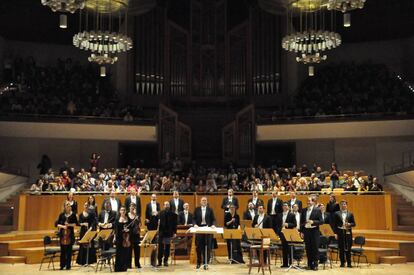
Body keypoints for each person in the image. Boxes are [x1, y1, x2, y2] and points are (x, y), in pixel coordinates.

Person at [300, 196, 323, 271]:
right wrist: (301, 231)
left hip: (314, 231)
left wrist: (313, 222)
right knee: (308, 248)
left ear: (313, 202)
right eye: (308, 201)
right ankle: (309, 264)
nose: (308, 202)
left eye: (310, 201)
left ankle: (315, 264)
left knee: (315, 248)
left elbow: (321, 221)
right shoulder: (303, 210)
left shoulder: (317, 210)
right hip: (306, 231)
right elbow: (301, 222)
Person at [193, 197, 216, 270]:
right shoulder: (197, 209)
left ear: (207, 202)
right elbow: (193, 218)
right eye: (203, 200)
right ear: (200, 202)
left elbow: (213, 219)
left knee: (207, 248)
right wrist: (194, 224)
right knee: (199, 247)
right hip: (199, 229)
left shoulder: (210, 209)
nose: (204, 201)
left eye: (205, 200)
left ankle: (206, 263)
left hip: (208, 229)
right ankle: (198, 263)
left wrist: (213, 224)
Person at [56, 202, 78, 270]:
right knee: (62, 251)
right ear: (64, 207)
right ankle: (62, 265)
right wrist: (63, 226)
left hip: (70, 235)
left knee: (69, 251)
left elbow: (75, 224)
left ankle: (68, 265)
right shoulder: (61, 215)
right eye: (67, 205)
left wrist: (68, 225)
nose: (68, 207)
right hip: (62, 235)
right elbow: (57, 224)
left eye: (69, 205)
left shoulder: (73, 215)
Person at [334, 200, 356, 268]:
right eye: (342, 204)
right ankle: (342, 263)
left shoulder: (350, 214)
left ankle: (349, 263)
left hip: (348, 232)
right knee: (341, 248)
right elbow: (334, 224)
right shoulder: (336, 213)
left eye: (344, 204)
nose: (343, 205)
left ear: (346, 205)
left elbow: (354, 224)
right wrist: (335, 233)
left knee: (348, 248)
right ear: (340, 206)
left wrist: (349, 224)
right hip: (340, 232)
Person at [157, 201, 178, 267]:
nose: (166, 206)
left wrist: (175, 232)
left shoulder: (173, 214)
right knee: (160, 248)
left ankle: (165, 261)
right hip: (161, 233)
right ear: (163, 206)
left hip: (169, 233)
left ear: (169, 206)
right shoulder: (160, 213)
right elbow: (157, 223)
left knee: (167, 248)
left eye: (168, 205)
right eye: (165, 205)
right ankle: (159, 261)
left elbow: (175, 225)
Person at [277, 203, 297, 268]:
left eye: (286, 206)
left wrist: (287, 224)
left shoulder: (292, 215)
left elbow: (295, 224)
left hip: (289, 233)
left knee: (290, 248)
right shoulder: (279, 215)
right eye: (283, 205)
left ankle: (291, 263)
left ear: (288, 207)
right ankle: (285, 264)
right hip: (282, 233)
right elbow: (277, 225)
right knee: (284, 249)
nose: (284, 207)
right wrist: (278, 233)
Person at [114, 206, 132, 272]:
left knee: (125, 253)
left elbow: (131, 228)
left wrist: (128, 230)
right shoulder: (117, 219)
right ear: (119, 211)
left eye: (124, 210)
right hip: (119, 238)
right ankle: (118, 268)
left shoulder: (128, 219)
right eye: (121, 210)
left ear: (125, 211)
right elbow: (115, 229)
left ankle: (124, 267)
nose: (123, 211)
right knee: (119, 253)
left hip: (126, 238)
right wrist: (114, 237)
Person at [126, 203, 141, 269]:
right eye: (131, 206)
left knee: (137, 250)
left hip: (136, 234)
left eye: (134, 207)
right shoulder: (127, 215)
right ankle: (128, 264)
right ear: (129, 207)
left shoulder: (137, 215)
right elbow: (126, 225)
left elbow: (140, 224)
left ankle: (137, 263)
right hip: (129, 235)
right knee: (129, 250)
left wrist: (137, 218)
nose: (133, 208)